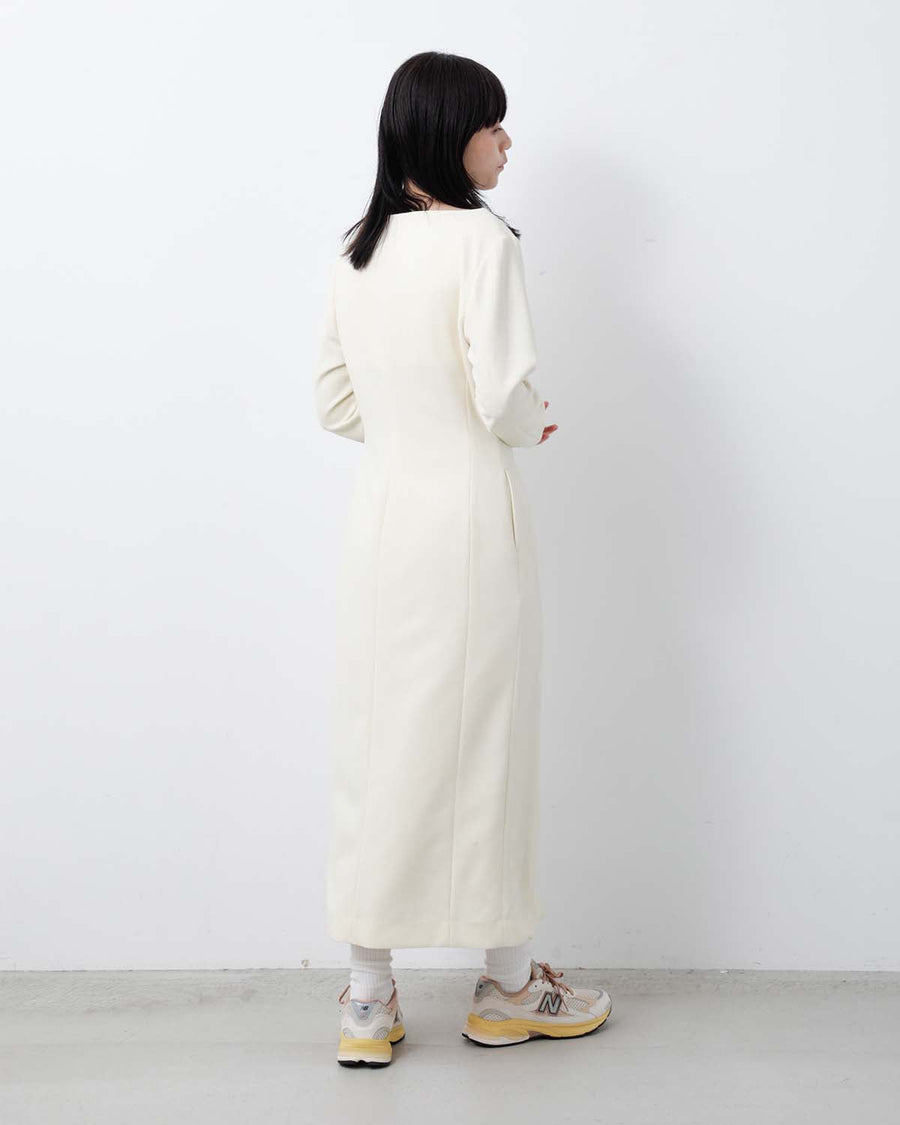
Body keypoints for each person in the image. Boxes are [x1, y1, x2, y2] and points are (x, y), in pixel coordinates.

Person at [312, 50, 611, 1067]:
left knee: (377, 744)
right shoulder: (485, 241)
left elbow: (333, 401)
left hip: (382, 523)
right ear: (450, 133)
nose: (506, 142)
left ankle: (367, 999)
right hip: (474, 520)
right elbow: (503, 397)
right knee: (490, 745)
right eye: (493, 125)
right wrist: (529, 424)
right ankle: (510, 990)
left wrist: (411, 426)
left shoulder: (357, 247)